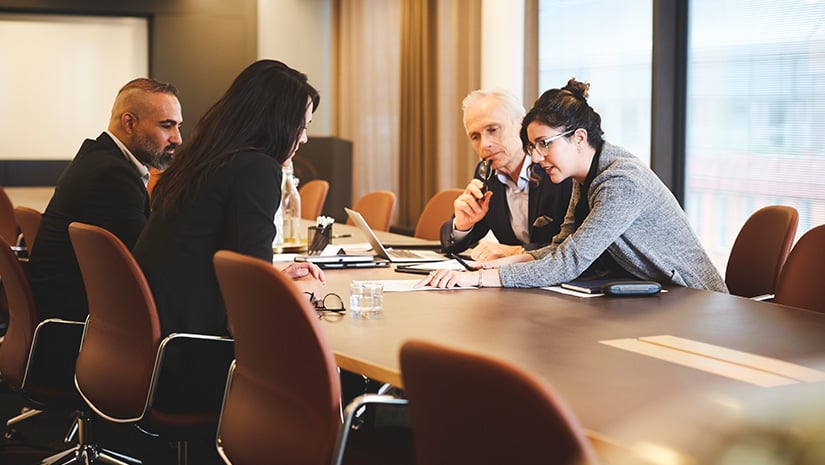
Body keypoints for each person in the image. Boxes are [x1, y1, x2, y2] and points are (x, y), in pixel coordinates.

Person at [420, 78, 727, 292]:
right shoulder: (586, 176)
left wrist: (480, 280)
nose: (537, 157)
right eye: (533, 146)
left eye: (544, 144)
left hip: (694, 299)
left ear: (579, 138)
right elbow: (560, 246)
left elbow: (571, 260)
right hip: (658, 297)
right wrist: (485, 269)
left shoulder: (620, 180)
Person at [133, 59, 324, 344]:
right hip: (194, 345)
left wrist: (275, 278)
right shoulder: (257, 169)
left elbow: (220, 258)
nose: (304, 138)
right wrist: (292, 297)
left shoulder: (203, 160)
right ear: (278, 123)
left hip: (158, 333)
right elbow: (252, 292)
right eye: (301, 126)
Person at [28, 78, 183, 322]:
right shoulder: (112, 176)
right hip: (75, 322)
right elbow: (145, 264)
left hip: (61, 312)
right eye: (167, 126)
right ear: (129, 123)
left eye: (178, 126)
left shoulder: (98, 158)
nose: (177, 138)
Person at [440, 89, 572, 261]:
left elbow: (578, 245)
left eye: (493, 130)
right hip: (512, 283)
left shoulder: (557, 169)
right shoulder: (486, 176)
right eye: (475, 136)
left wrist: (517, 252)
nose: (485, 144)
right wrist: (462, 226)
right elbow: (451, 245)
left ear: (522, 126)